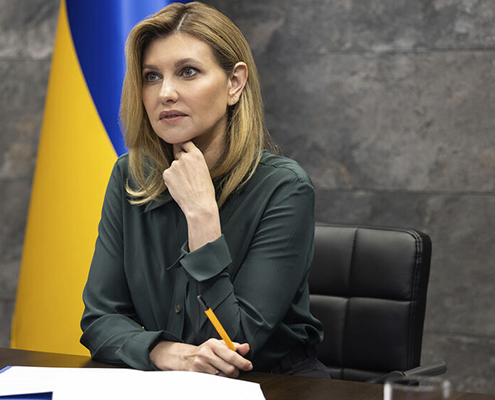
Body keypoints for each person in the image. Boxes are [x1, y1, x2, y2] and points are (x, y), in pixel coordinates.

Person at [80, 2, 329, 379]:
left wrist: (201, 216)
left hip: (271, 386)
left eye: (188, 72)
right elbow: (99, 321)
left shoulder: (284, 187)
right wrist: (166, 352)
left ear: (234, 83)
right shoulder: (130, 176)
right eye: (151, 76)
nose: (165, 93)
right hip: (167, 383)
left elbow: (235, 346)